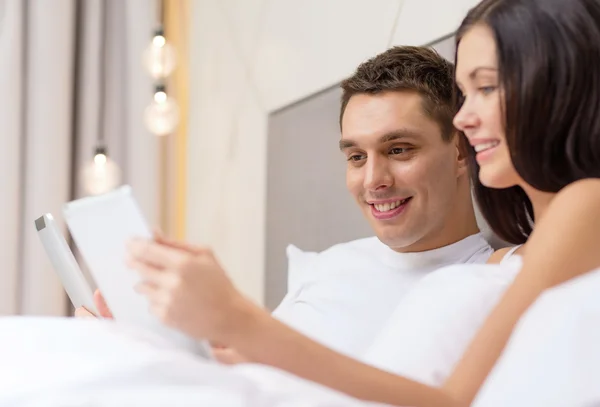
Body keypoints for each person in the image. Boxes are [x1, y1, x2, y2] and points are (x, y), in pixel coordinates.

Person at [123, 0, 600, 405]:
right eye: (355, 155)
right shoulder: (505, 260)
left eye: (486, 87)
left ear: (551, 85)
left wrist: (244, 322)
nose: (465, 117)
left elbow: (450, 400)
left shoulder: (585, 204)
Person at [78, 46, 494, 361]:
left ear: (460, 150)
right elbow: (244, 370)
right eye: (355, 157)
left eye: (399, 149)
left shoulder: (494, 284)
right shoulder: (329, 267)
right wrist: (147, 343)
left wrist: (235, 316)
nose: (373, 181)